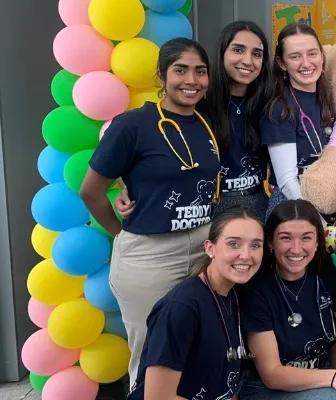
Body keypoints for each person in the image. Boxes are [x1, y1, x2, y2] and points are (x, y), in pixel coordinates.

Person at [79, 37, 219, 384]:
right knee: (151, 352)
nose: (191, 80)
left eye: (200, 72)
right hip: (150, 255)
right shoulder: (132, 125)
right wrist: (122, 234)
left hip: (204, 249)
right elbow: (91, 191)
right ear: (161, 76)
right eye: (180, 70)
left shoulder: (206, 125)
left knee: (198, 343)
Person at [115, 21, 274, 221]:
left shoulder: (269, 104)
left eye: (257, 54)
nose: (248, 61)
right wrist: (128, 188)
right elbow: (148, 152)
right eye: (238, 50)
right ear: (222, 53)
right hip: (208, 210)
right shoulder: (195, 103)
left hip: (259, 204)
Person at [127, 205, 264, 400]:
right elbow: (158, 397)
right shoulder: (181, 308)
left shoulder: (233, 294)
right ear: (210, 248)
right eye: (234, 244)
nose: (246, 255)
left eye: (255, 245)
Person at [239, 200, 336, 400]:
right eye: (286, 238)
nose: (296, 249)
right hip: (268, 389)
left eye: (306, 238)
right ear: (271, 242)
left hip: (320, 377)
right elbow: (271, 374)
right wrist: (335, 378)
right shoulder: (257, 289)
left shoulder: (327, 276)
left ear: (318, 242)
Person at [262, 23, 336, 221]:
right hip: (294, 208)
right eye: (295, 56)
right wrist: (318, 223)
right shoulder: (280, 108)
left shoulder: (331, 99)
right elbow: (287, 181)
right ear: (282, 63)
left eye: (312, 53)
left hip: (330, 205)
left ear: (322, 55)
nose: (306, 63)